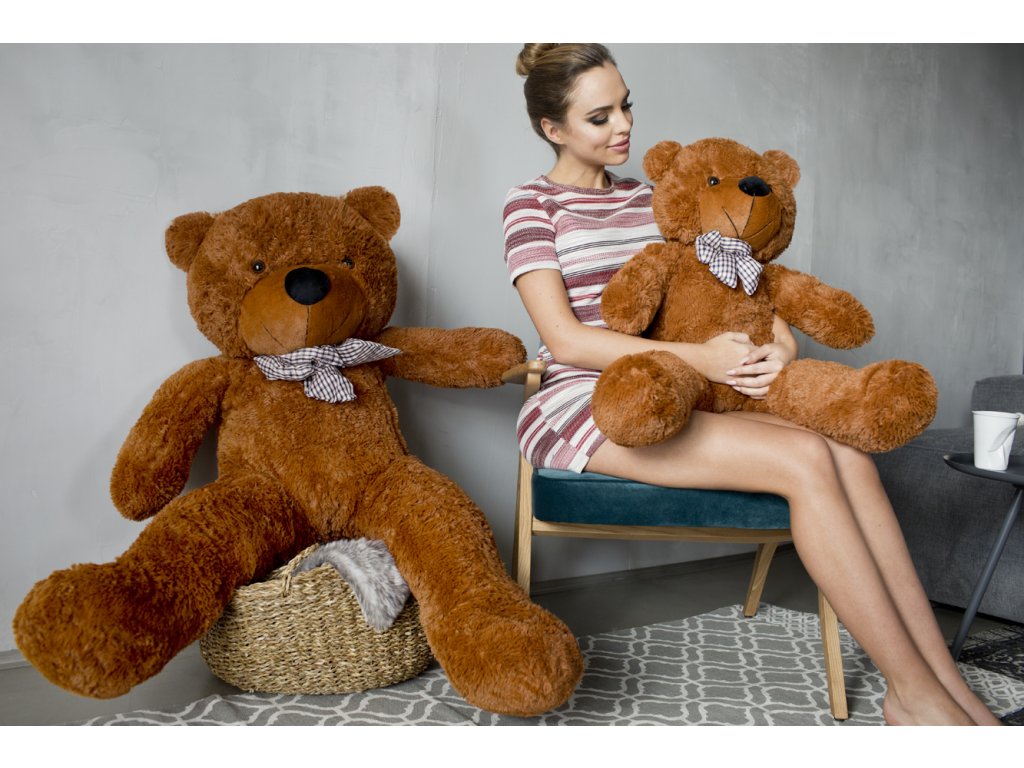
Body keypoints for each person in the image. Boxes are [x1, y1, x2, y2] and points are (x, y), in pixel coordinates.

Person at [503, 43, 1000, 726]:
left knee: (850, 455)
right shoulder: (530, 204)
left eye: (626, 106)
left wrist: (781, 344)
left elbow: (739, 283)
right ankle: (910, 695)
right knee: (804, 458)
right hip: (590, 400)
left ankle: (945, 683)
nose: (623, 126)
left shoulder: (656, 200)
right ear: (551, 128)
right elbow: (565, 339)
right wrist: (700, 358)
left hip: (691, 387)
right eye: (599, 117)